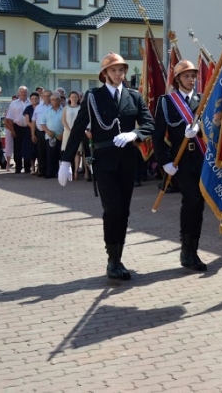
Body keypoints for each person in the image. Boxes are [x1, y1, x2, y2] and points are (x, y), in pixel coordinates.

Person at [57, 52, 154, 281]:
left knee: (124, 210)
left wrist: (134, 134)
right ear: (104, 74)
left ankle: (118, 257)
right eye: (113, 70)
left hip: (127, 160)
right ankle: (112, 261)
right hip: (104, 160)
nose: (118, 74)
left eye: (121, 70)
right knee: (112, 209)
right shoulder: (93, 97)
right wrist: (65, 160)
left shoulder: (134, 97)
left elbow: (150, 123)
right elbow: (79, 127)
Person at [153, 60, 208, 271]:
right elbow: (158, 135)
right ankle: (187, 252)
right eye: (186, 76)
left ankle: (193, 250)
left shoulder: (201, 99)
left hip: (200, 159)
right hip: (180, 160)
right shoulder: (166, 102)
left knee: (199, 203)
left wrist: (201, 131)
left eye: (193, 75)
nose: (191, 79)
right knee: (191, 200)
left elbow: (211, 131)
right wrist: (164, 161)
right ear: (177, 79)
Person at [5, 86, 30, 174]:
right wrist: (12, 130)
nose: (23, 93)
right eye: (22, 92)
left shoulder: (30, 103)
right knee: (17, 148)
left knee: (27, 147)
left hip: (28, 128)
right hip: (17, 127)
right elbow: (9, 118)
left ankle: (27, 167)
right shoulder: (13, 104)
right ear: (18, 93)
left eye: (25, 92)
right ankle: (18, 167)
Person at [61, 91, 84, 181]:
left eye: (76, 97)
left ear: (78, 98)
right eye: (72, 97)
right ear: (69, 98)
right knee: (68, 151)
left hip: (78, 132)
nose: (74, 98)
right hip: (67, 132)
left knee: (77, 152)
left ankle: (76, 171)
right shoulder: (66, 108)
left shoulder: (81, 108)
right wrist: (69, 130)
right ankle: (68, 171)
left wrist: (76, 130)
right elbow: (63, 120)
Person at [41, 93, 64, 179]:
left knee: (61, 155)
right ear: (50, 101)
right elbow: (42, 123)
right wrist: (47, 131)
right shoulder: (46, 111)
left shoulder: (64, 110)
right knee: (50, 155)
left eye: (57, 99)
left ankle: (61, 173)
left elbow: (67, 123)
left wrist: (63, 134)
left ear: (60, 100)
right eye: (53, 99)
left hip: (61, 136)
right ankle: (50, 173)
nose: (55, 101)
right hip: (50, 136)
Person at [33, 89, 51, 177]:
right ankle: (41, 170)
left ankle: (50, 171)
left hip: (51, 132)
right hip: (40, 132)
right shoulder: (38, 107)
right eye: (45, 96)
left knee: (50, 152)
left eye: (48, 96)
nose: (46, 98)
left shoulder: (55, 106)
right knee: (41, 152)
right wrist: (33, 134)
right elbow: (33, 121)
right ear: (42, 97)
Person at [23, 92, 40, 174]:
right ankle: (32, 168)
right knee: (31, 151)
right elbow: (27, 121)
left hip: (40, 131)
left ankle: (39, 168)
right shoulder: (28, 108)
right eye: (32, 99)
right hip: (30, 131)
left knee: (39, 150)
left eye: (36, 99)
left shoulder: (41, 107)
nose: (34, 100)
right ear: (30, 100)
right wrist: (34, 127)